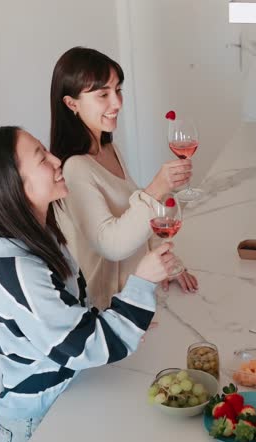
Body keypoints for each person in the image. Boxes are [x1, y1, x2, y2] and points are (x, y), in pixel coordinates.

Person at [0, 126, 177, 442]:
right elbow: (80, 344)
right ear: (12, 184)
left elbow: (74, 316)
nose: (56, 160)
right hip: (37, 423)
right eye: (41, 158)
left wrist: (120, 320)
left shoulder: (39, 234)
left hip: (67, 396)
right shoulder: (16, 267)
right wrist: (141, 285)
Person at [50, 47, 197, 310]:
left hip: (140, 295)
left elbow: (136, 217)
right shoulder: (75, 168)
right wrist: (155, 190)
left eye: (118, 90)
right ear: (71, 103)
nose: (116, 103)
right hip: (110, 310)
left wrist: (168, 266)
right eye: (103, 94)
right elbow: (112, 245)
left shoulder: (108, 149)